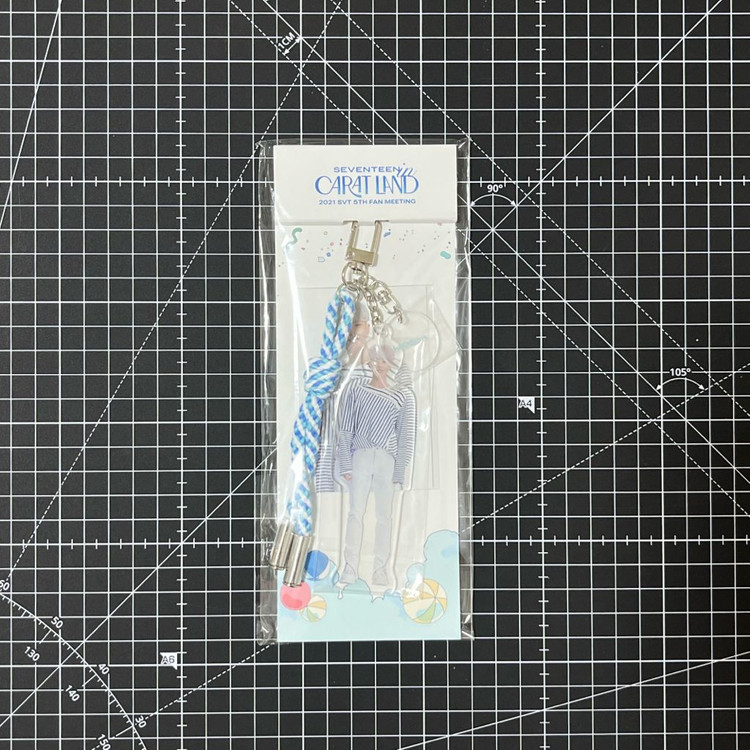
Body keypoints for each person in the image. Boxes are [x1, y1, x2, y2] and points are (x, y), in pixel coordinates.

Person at [335, 344, 416, 586]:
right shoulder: (356, 389)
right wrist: (345, 463)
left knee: (385, 516)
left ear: (390, 364)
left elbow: (405, 436)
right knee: (355, 512)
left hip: (386, 460)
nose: (379, 365)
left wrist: (399, 470)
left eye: (384, 361)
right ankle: (350, 567)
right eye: (375, 360)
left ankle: (380, 569)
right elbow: (345, 428)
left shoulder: (400, 396)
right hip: (360, 456)